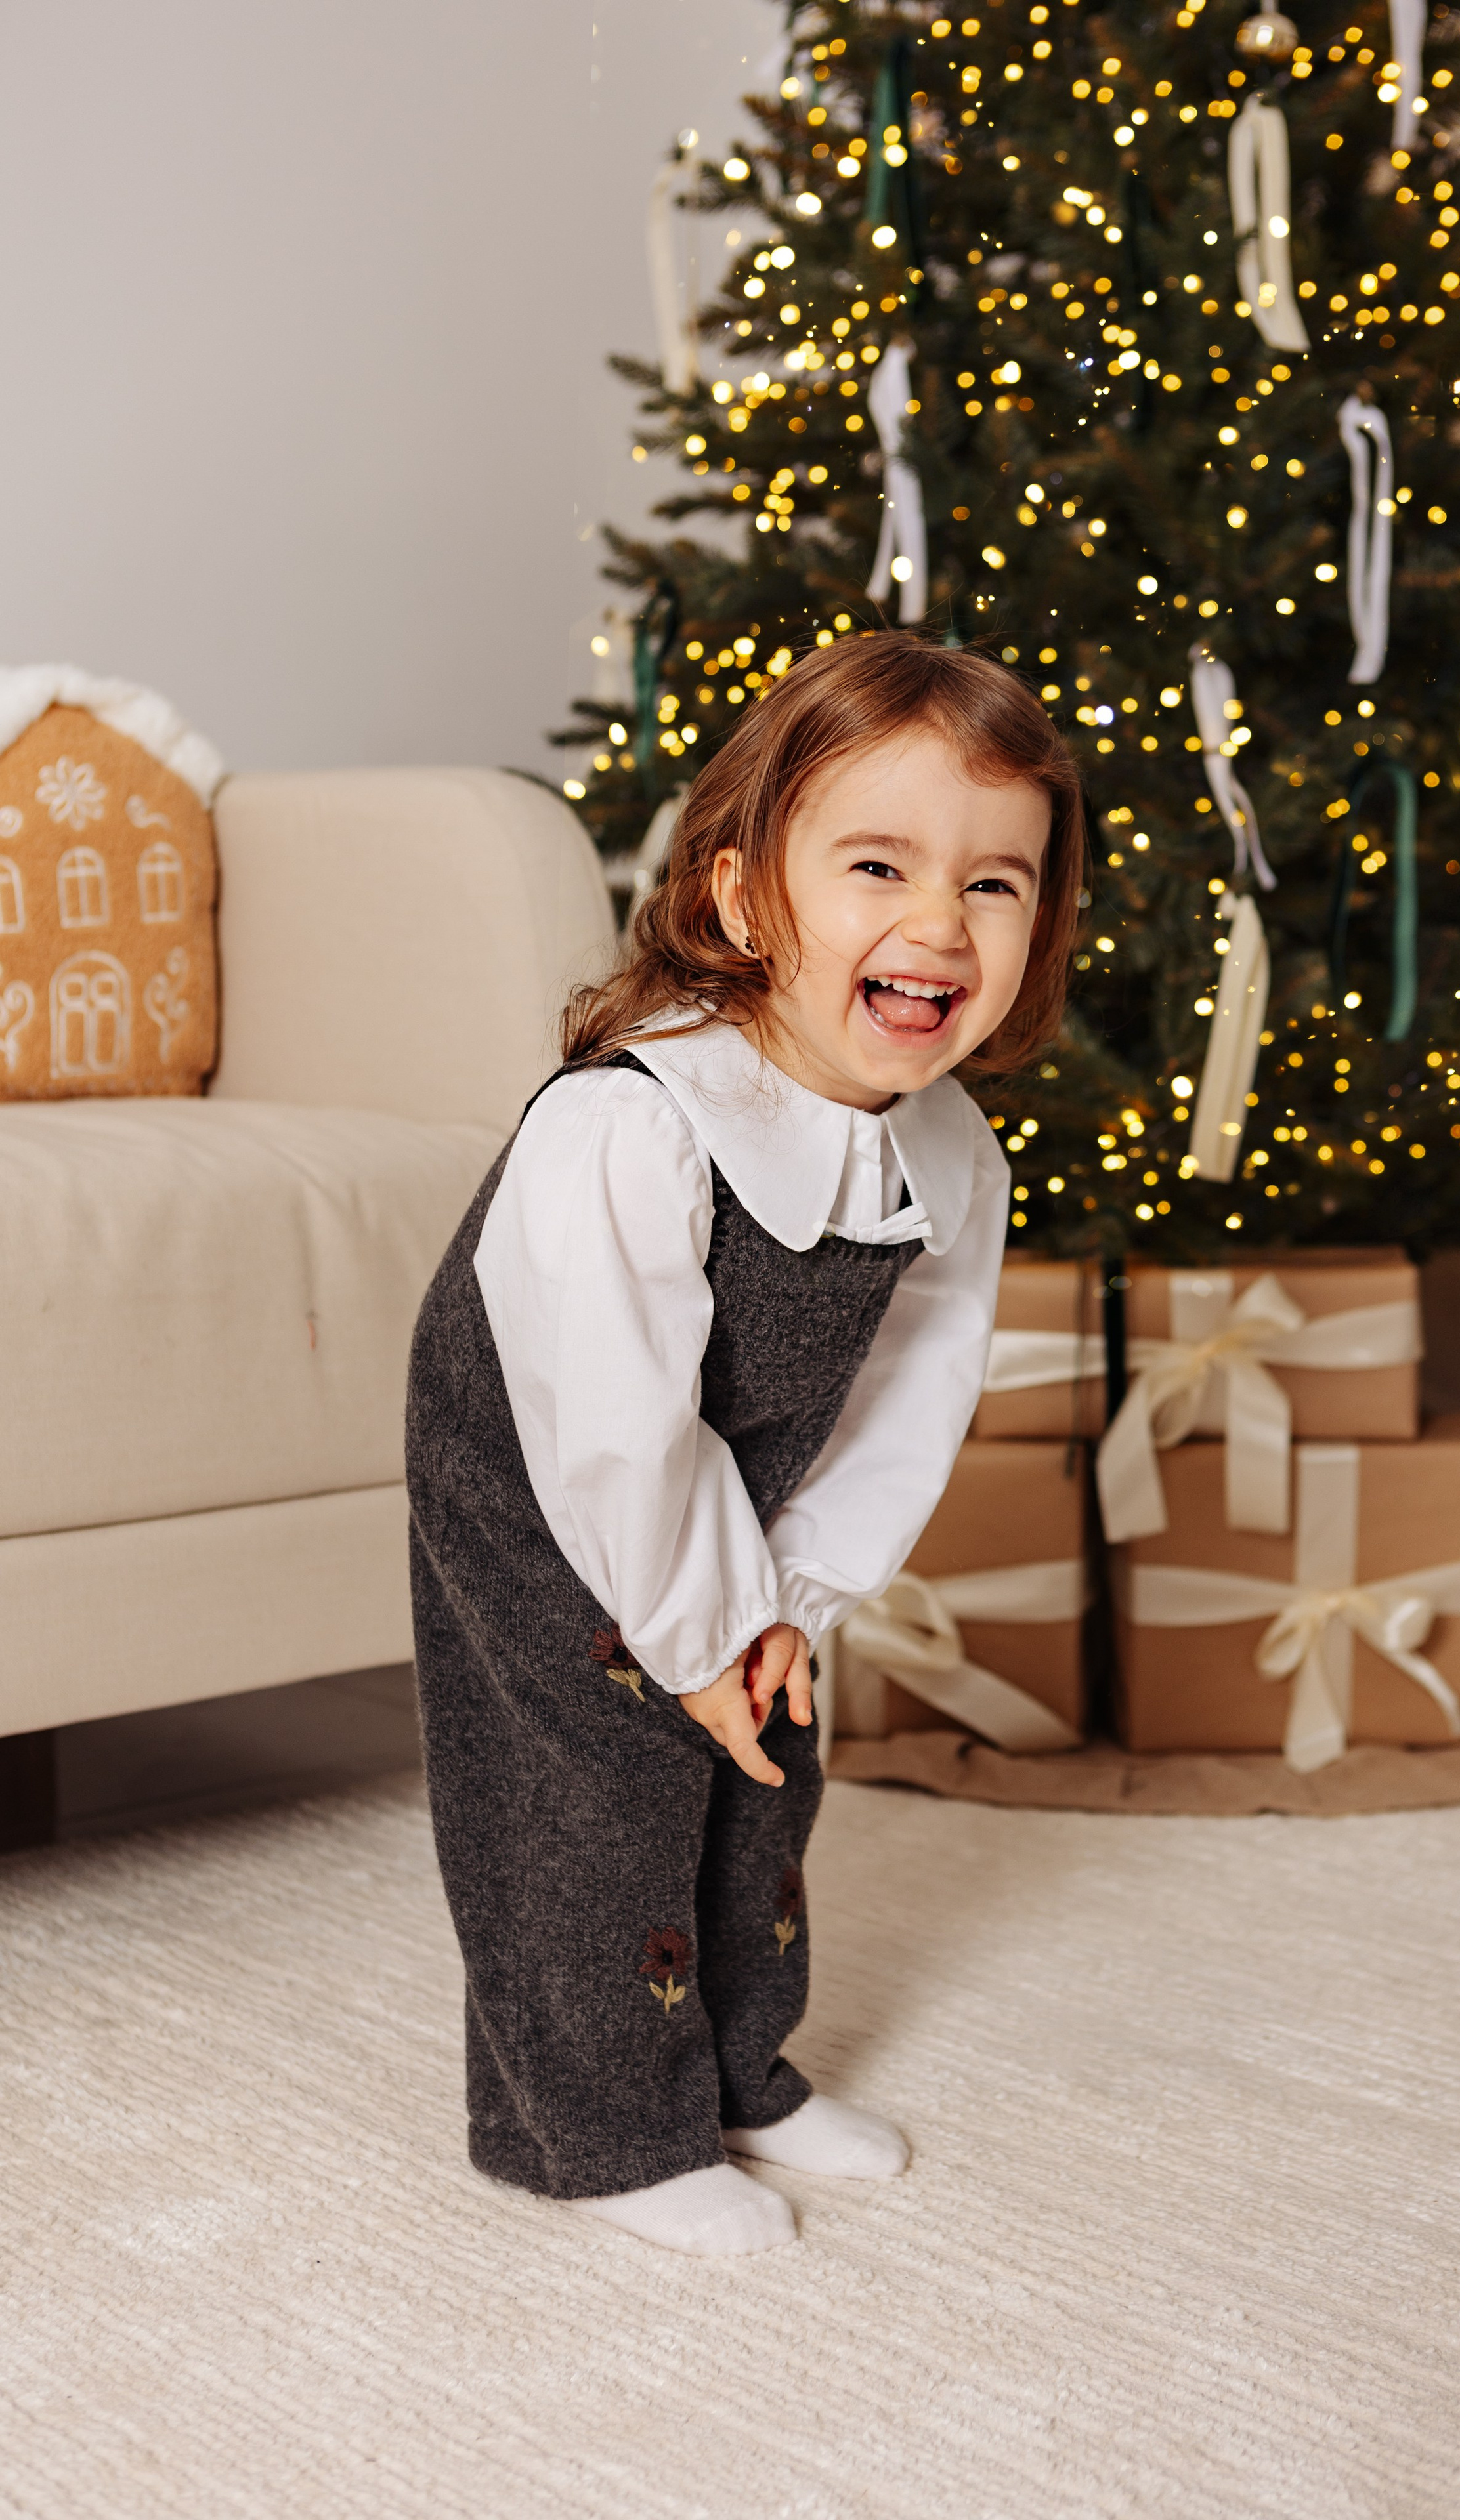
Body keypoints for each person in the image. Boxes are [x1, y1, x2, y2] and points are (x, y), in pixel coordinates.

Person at [406, 631, 1084, 2255]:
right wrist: (691, 1626)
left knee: (764, 1761)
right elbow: (619, 1429)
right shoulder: (628, 1126)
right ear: (735, 899)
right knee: (590, 1792)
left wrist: (792, 1597)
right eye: (877, 866)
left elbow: (909, 1393)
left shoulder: (950, 1152)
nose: (940, 923)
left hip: (741, 1475)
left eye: (995, 885)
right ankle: (597, 2128)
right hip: (549, 1485)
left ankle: (732, 2070)